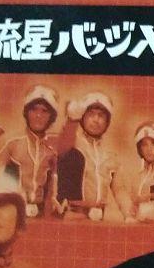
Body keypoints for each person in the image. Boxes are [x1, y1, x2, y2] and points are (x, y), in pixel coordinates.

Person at [0, 84, 60, 218]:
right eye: (33, 109)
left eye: (45, 111)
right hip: (10, 212)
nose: (38, 115)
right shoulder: (9, 141)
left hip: (39, 213)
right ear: (26, 112)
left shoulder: (53, 149)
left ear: (52, 117)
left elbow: (54, 185)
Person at [54, 91, 126, 221]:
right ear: (82, 117)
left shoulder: (110, 155)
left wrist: (129, 214)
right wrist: (71, 120)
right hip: (72, 216)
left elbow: (120, 190)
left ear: (107, 122)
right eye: (91, 114)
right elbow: (62, 148)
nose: (96, 120)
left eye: (101, 115)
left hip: (99, 218)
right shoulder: (72, 144)